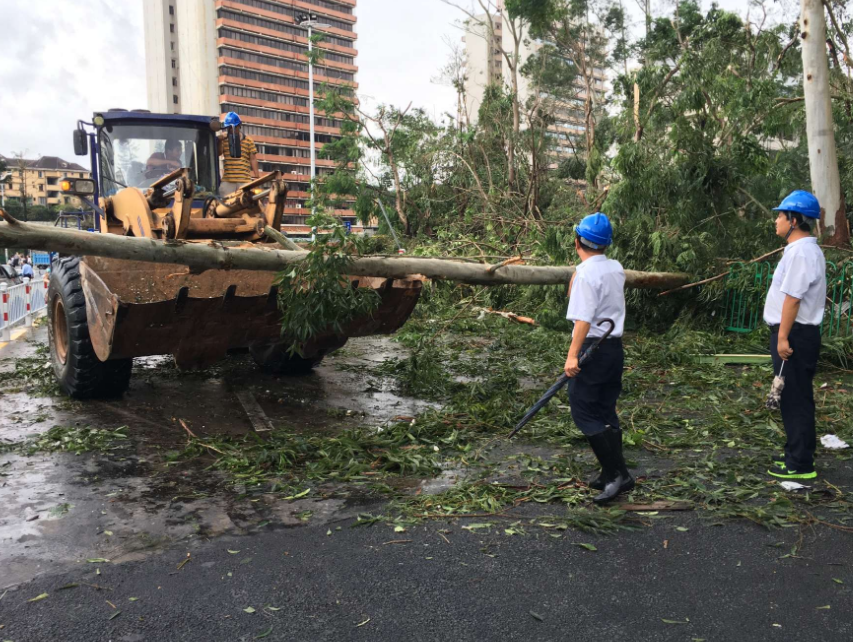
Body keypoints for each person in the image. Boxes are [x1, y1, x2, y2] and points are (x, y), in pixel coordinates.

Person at [564, 212, 634, 504]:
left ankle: (616, 474)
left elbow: (582, 319)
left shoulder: (586, 274)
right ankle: (616, 475)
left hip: (592, 346)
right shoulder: (615, 268)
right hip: (613, 348)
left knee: (583, 410)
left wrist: (572, 357)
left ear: (578, 240)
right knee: (605, 409)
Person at [763, 190, 826, 480]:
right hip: (796, 333)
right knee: (794, 396)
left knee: (795, 397)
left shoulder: (802, 252)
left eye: (780, 215)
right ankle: (796, 455)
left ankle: (800, 465)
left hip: (795, 335)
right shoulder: (800, 250)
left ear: (795, 219)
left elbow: (793, 299)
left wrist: (783, 337)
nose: (775, 220)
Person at [218, 112, 259, 197]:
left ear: (239, 126)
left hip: (244, 180)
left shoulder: (248, 140)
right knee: (222, 202)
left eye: (233, 128)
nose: (230, 130)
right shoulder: (224, 140)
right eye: (228, 128)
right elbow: (219, 153)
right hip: (228, 180)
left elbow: (253, 159)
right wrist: (220, 140)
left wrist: (257, 177)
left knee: (247, 203)